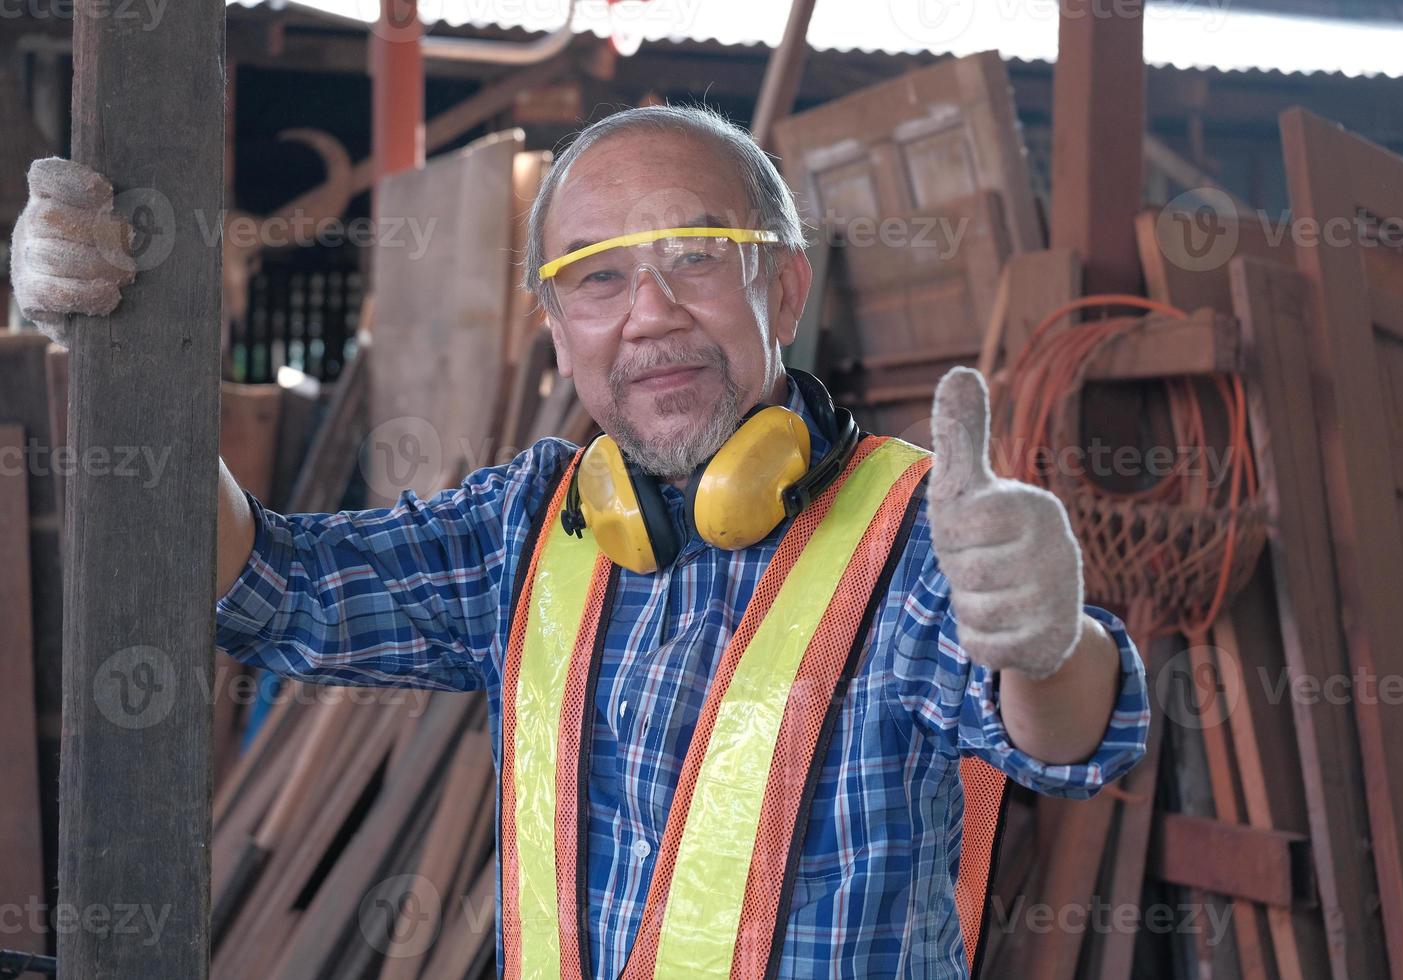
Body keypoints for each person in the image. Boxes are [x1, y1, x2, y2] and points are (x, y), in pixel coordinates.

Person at [11, 105, 1148, 977]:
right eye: (598, 278)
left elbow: (1071, 741)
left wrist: (1043, 644)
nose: (650, 311)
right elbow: (272, 587)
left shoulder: (905, 535)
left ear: (784, 286)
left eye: (696, 255)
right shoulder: (527, 527)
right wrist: (131, 353)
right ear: (558, 335)